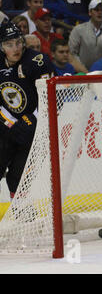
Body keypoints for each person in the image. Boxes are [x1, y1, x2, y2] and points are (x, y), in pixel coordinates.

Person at [0, 20, 54, 200]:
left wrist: (33, 120)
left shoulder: (37, 61)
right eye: (9, 44)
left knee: (18, 177)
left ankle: (22, 215)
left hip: (31, 129)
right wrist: (8, 121)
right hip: (5, 125)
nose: (15, 48)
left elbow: (50, 98)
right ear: (1, 47)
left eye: (18, 42)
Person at [68, 0, 102, 71]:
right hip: (82, 74)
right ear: (90, 12)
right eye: (96, 10)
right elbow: (72, 53)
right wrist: (84, 71)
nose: (100, 12)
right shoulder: (78, 30)